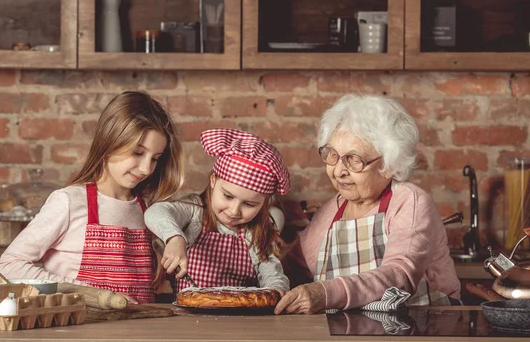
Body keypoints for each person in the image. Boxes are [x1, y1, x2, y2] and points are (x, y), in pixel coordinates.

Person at [275, 94, 460, 315]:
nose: (339, 170)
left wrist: (326, 293)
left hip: (423, 328)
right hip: (351, 334)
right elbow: (291, 269)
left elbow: (399, 276)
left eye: (354, 159)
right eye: (332, 154)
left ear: (389, 164)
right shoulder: (330, 212)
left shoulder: (409, 201)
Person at [0, 91, 184, 304]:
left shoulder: (149, 209)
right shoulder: (69, 202)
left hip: (137, 333)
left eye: (155, 158)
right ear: (110, 141)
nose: (146, 168)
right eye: (138, 153)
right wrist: (81, 291)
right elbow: (9, 265)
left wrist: (176, 240)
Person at [144, 128, 290, 293]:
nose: (234, 211)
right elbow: (155, 212)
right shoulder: (195, 211)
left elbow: (273, 275)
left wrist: (277, 291)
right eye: (228, 196)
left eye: (249, 204)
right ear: (213, 181)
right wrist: (175, 238)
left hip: (242, 313)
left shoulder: (256, 232)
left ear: (264, 203)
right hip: (189, 313)